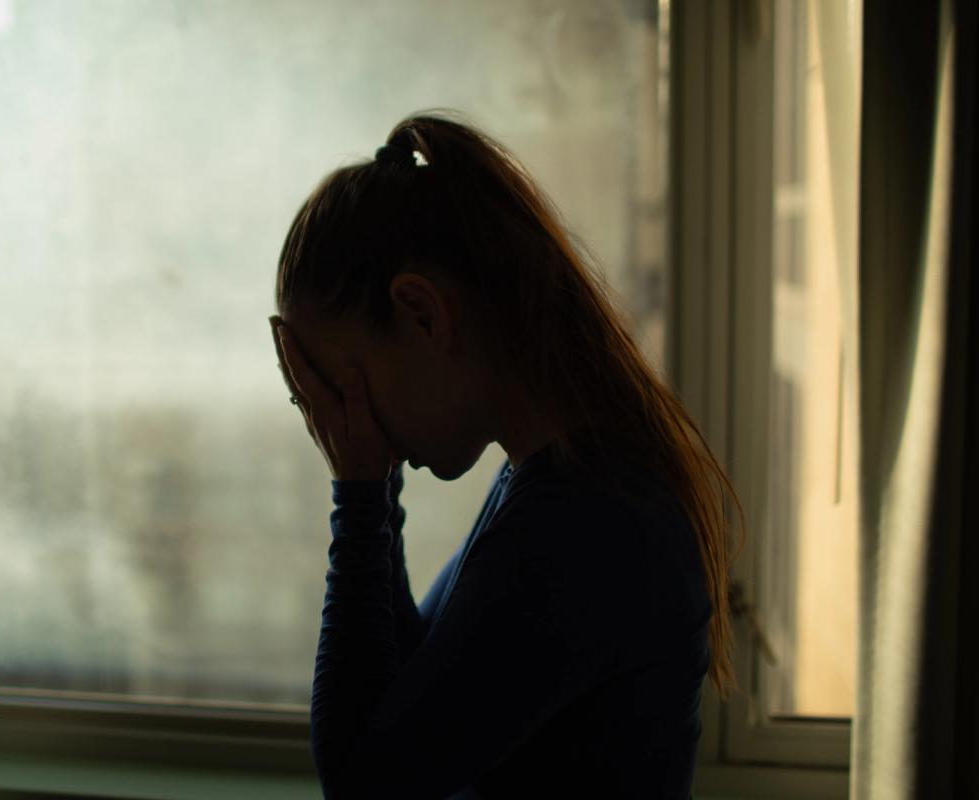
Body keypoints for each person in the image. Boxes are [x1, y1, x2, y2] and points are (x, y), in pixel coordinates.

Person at [267, 109, 744, 799]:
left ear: (422, 315)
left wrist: (360, 494)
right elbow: (411, 692)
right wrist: (374, 486)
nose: (349, 425)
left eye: (348, 390)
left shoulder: (588, 527)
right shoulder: (553, 481)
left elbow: (365, 785)